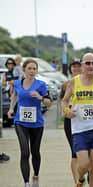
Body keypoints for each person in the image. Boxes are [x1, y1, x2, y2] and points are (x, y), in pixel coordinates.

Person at [61, 52, 93, 187]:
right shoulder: (73, 82)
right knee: (84, 164)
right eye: (87, 63)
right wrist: (67, 111)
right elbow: (64, 101)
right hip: (79, 129)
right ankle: (81, 179)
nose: (91, 66)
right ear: (82, 65)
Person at [7, 58, 52, 187]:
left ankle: (36, 176)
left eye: (34, 69)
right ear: (24, 70)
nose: (32, 71)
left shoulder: (41, 85)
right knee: (25, 152)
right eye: (30, 68)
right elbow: (14, 95)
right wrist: (11, 108)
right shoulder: (17, 83)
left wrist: (40, 97)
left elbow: (49, 103)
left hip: (37, 123)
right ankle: (26, 183)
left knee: (35, 151)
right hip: (20, 122)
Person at [60, 59, 82, 185]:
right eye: (73, 66)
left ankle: (88, 175)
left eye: (78, 66)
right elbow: (62, 102)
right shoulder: (66, 84)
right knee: (75, 153)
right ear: (70, 69)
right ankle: (77, 183)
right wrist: (67, 111)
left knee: (88, 154)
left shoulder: (90, 82)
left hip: (86, 121)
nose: (76, 69)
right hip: (71, 121)